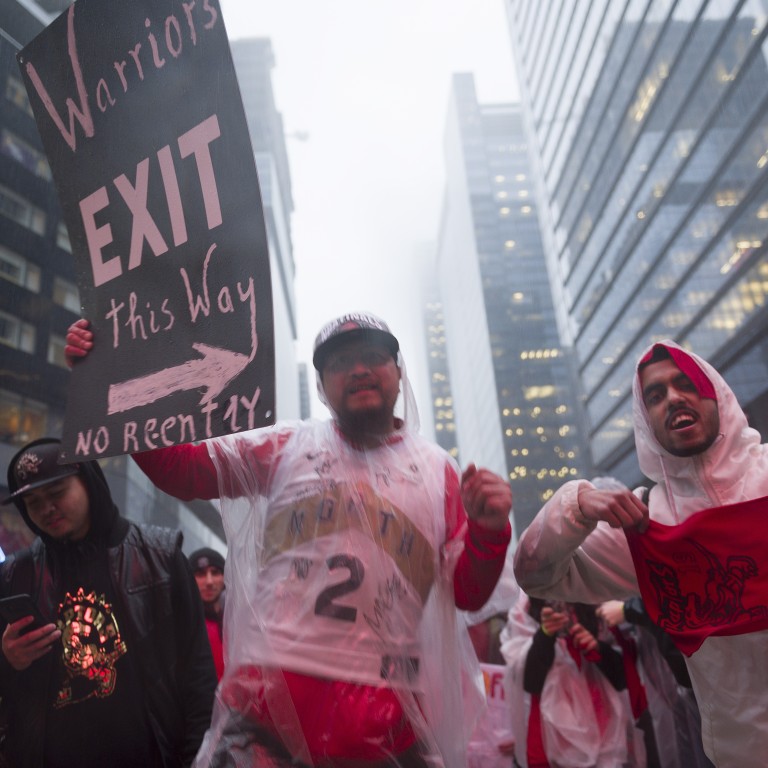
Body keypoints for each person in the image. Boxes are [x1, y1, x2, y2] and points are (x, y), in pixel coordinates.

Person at [65, 312, 513, 768]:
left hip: (383, 728)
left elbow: (466, 592)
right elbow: (184, 469)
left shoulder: (441, 473)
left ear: (399, 372)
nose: (358, 369)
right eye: (340, 362)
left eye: (373, 356)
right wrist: (112, 378)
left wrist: (490, 532)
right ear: (321, 385)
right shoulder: (286, 447)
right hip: (267, 715)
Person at [513, 339, 768, 767]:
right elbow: (537, 575)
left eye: (685, 383)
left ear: (716, 393)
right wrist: (575, 503)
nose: (672, 397)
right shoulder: (646, 524)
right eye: (655, 394)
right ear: (645, 419)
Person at [0, 437, 217, 768]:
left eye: (57, 493)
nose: (46, 509)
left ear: (88, 482)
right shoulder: (16, 575)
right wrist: (8, 659)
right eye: (32, 501)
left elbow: (198, 678)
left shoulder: (159, 557)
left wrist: (197, 761)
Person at [500, 593, 637, 768]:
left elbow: (623, 678)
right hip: (550, 732)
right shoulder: (525, 610)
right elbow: (528, 681)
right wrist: (545, 635)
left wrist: (596, 647)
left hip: (601, 726)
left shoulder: (598, 599)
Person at [189, 547, 226, 680]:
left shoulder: (238, 625)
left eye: (215, 572)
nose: (209, 581)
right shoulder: (182, 626)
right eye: (200, 574)